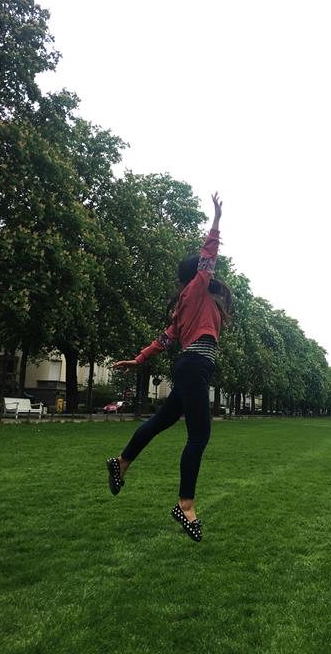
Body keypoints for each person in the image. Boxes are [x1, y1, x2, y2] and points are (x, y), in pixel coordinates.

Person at [106, 193, 230, 542]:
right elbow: (209, 254)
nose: (211, 271)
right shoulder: (196, 287)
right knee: (199, 436)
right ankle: (185, 505)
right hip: (194, 367)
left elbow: (165, 338)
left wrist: (140, 358)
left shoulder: (187, 303)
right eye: (205, 269)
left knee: (161, 421)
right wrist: (216, 219)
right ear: (197, 274)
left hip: (189, 367)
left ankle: (122, 463)